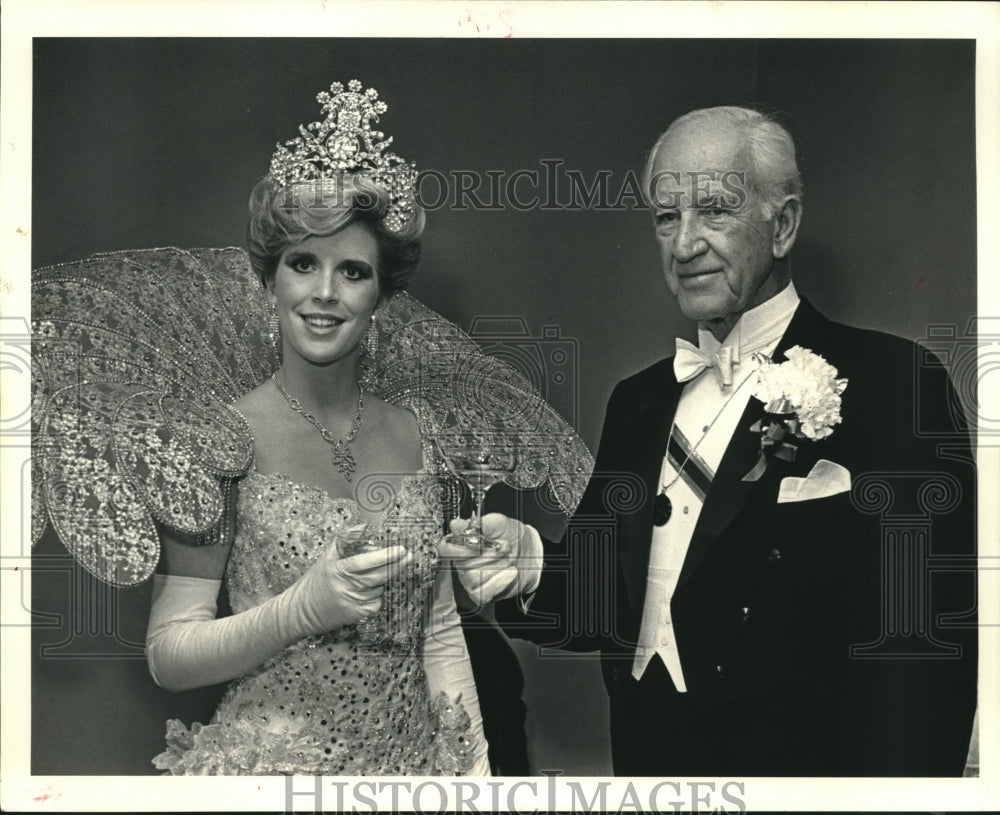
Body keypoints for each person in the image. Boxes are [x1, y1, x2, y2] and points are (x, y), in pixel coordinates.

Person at [30, 79, 592, 776]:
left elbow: (441, 632)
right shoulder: (219, 439)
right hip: (269, 775)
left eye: (352, 271)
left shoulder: (420, 436)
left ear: (381, 297)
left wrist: (472, 779)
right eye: (303, 263)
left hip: (410, 772)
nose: (325, 293)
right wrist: (302, 608)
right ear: (270, 282)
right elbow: (169, 653)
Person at [487, 106, 978, 776]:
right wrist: (530, 566)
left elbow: (927, 656)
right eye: (666, 217)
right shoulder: (636, 401)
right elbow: (608, 606)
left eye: (714, 210)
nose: (684, 243)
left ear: (783, 226)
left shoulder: (896, 384)